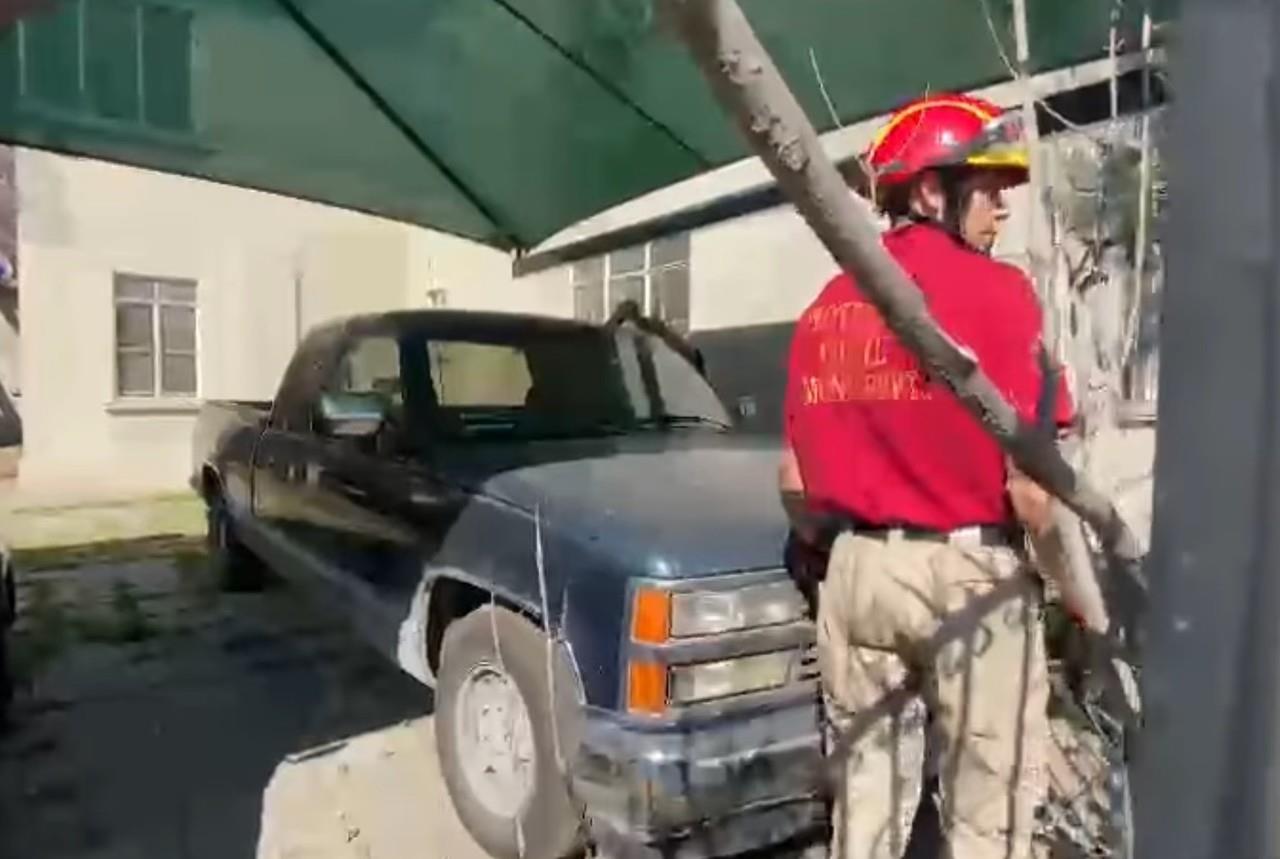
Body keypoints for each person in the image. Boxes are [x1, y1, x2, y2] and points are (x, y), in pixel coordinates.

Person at [779, 93, 1075, 859]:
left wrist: (833, 550)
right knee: (990, 810)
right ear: (929, 190)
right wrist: (1072, 592)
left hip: (856, 571)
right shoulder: (1003, 297)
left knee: (867, 805)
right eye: (987, 189)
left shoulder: (826, 307)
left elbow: (793, 480)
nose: (1001, 210)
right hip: (971, 573)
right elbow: (1033, 490)